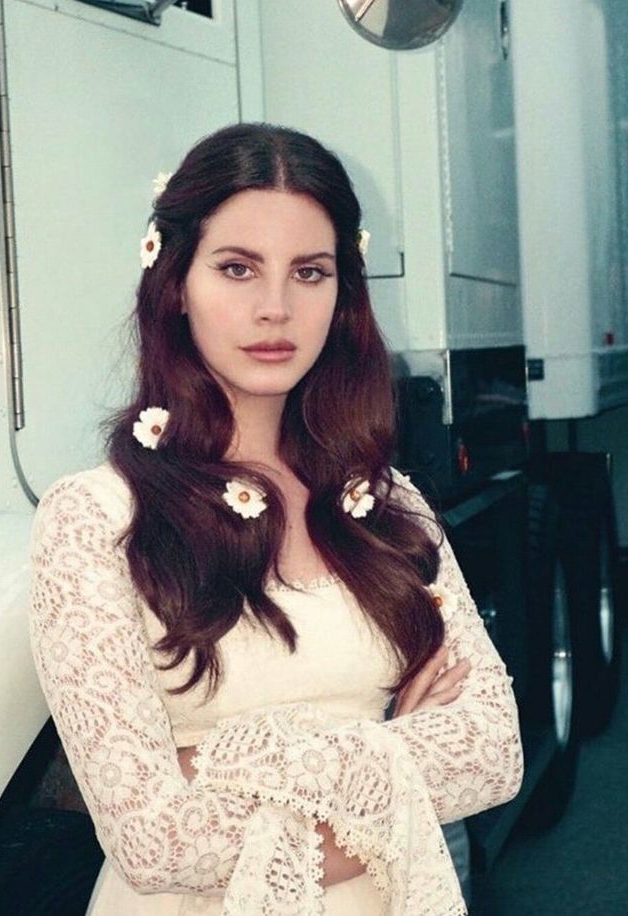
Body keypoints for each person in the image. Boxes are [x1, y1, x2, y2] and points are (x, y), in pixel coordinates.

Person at [28, 123, 523, 915]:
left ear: (342, 293)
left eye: (310, 272)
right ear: (174, 282)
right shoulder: (93, 519)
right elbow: (156, 845)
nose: (275, 308)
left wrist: (214, 765)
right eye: (236, 268)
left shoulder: (390, 504)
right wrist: (397, 753)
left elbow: (492, 755)